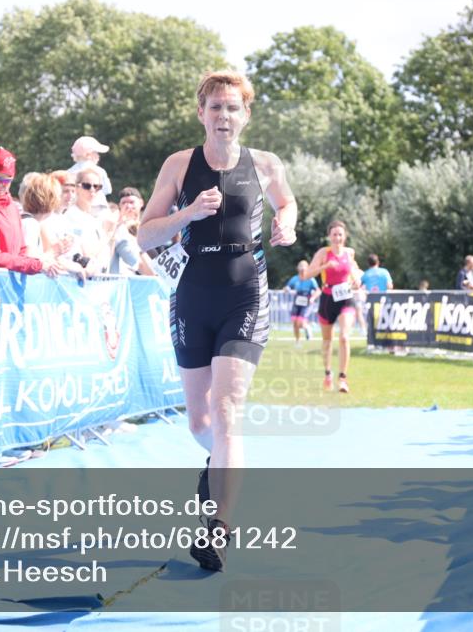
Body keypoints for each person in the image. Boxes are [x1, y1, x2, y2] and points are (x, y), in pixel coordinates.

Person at [137, 70, 297, 572]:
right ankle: (223, 463)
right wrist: (188, 215)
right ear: (201, 113)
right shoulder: (179, 166)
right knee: (201, 421)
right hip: (193, 293)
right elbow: (143, 235)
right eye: (215, 107)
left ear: (245, 115)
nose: (223, 116)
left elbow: (287, 202)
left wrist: (285, 222)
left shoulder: (267, 164)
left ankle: (220, 530)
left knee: (227, 408)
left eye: (232, 108)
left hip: (245, 292)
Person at [0, 147, 63, 276]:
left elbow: (21, 250)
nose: (1, 185)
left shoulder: (11, 206)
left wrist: (41, 264)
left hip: (10, 284)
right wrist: (37, 265)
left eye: (6, 180)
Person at [301, 220, 362, 394]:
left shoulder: (349, 253)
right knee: (327, 341)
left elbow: (355, 270)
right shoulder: (323, 253)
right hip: (327, 299)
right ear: (329, 236)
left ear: (345, 236)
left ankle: (342, 379)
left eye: (340, 234)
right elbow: (306, 275)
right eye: (334, 234)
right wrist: (325, 266)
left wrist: (357, 280)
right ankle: (328, 373)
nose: (337, 238)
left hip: (346, 299)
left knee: (344, 337)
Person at [69, 135, 113, 219]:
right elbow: (107, 190)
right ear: (88, 154)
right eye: (96, 153)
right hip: (98, 210)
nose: (98, 156)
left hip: (76, 210)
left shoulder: (68, 172)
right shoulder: (100, 171)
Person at [285, 260, 320, 347]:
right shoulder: (295, 278)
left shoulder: (311, 279)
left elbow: (318, 291)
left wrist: (313, 298)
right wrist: (286, 289)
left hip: (307, 302)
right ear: (298, 269)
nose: (302, 271)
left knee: (300, 322)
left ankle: (307, 328)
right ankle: (297, 342)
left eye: (304, 269)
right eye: (301, 269)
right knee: (294, 323)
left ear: (307, 269)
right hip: (297, 302)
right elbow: (287, 287)